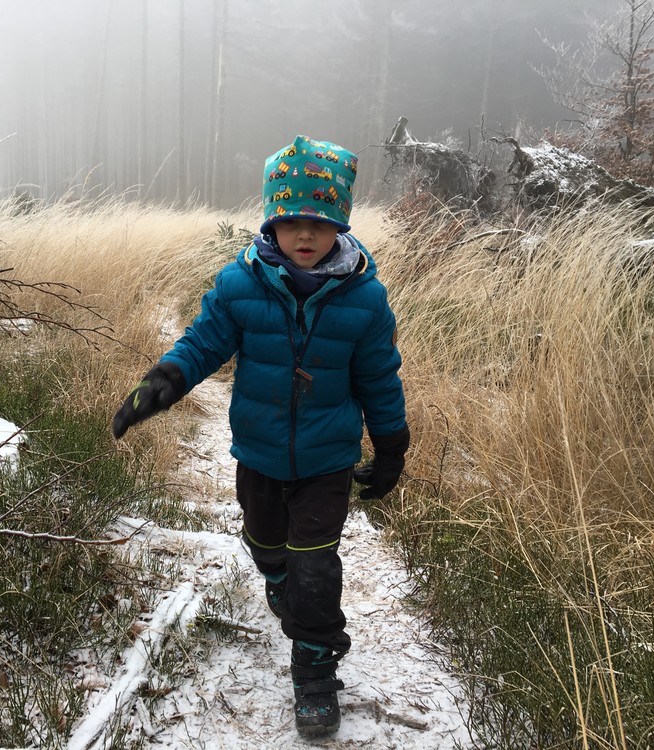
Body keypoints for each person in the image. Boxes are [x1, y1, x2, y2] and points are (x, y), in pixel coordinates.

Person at [111, 134, 408, 737]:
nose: (305, 235)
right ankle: (275, 577)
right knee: (267, 542)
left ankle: (317, 666)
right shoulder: (239, 285)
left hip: (327, 458)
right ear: (272, 221)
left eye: (320, 223)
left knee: (315, 565)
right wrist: (162, 383)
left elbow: (379, 377)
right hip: (260, 451)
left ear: (340, 226)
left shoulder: (366, 299)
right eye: (292, 221)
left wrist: (391, 446)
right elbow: (202, 344)